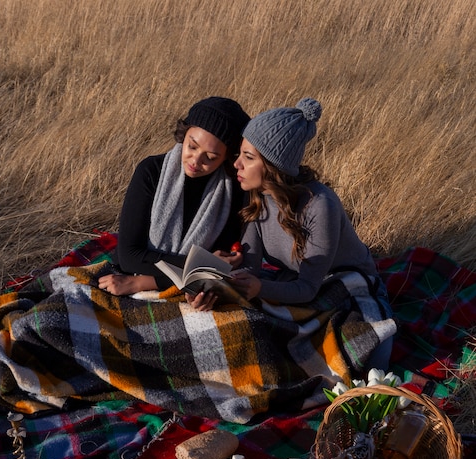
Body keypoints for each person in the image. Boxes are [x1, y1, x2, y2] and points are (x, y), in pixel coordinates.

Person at [191, 97, 394, 370]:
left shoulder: (320, 204)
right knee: (243, 330)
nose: (236, 164)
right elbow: (251, 271)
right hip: (296, 285)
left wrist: (260, 287)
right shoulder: (258, 196)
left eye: (248, 157)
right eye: (240, 154)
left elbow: (308, 288)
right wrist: (219, 284)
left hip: (347, 286)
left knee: (366, 360)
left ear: (274, 167)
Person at [98, 96, 250, 296]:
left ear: (226, 158)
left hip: (181, 289)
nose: (196, 160)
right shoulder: (151, 171)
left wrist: (143, 282)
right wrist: (201, 265)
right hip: (128, 273)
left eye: (211, 157)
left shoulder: (231, 192)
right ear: (184, 134)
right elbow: (129, 256)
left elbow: (218, 269)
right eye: (192, 146)